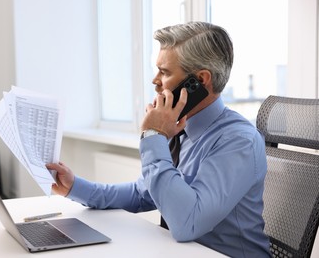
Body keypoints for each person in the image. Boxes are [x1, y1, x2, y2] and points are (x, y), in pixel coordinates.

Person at [46, 21, 271, 257]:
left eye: (164, 72)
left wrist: (154, 136)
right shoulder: (181, 129)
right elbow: (141, 194)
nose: (155, 81)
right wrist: (75, 187)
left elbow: (187, 224)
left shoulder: (238, 140)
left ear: (200, 80)